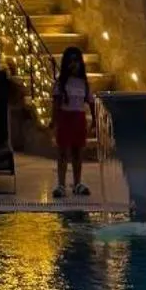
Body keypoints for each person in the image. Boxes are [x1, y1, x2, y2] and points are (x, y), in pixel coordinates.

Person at [53, 46, 92, 199]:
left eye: (76, 61)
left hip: (78, 119)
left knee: (77, 153)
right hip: (65, 118)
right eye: (70, 61)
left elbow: (90, 102)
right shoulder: (61, 83)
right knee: (63, 152)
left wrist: (95, 121)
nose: (73, 65)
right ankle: (61, 184)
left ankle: (77, 183)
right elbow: (56, 103)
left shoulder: (84, 83)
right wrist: (54, 121)